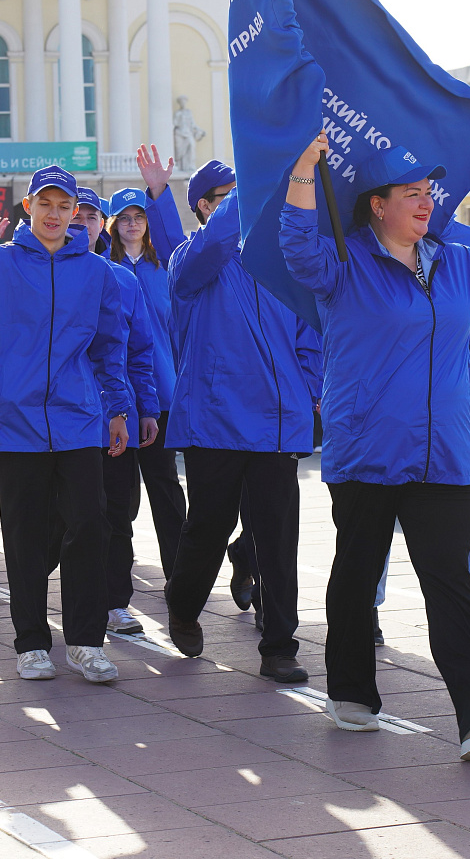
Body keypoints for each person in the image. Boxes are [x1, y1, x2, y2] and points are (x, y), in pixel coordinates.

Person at [280, 133, 470, 760]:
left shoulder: (457, 261)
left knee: (449, 582)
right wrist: (305, 168)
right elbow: (297, 248)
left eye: (428, 192)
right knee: (356, 577)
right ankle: (351, 692)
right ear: (377, 204)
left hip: (444, 454)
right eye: (410, 193)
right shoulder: (344, 263)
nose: (425, 201)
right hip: (368, 452)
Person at [0, 167, 131, 683]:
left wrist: (118, 408)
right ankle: (31, 642)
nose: (54, 215)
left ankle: (84, 641)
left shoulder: (97, 272)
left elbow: (108, 346)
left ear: (76, 211)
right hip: (13, 421)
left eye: (64, 206)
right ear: (28, 207)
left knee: (87, 527)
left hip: (78, 420)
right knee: (24, 534)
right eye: (45, 204)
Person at [164, 159, 318, 685]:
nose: (242, 204)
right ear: (205, 207)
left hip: (277, 423)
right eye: (227, 196)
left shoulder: (281, 263)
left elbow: (309, 337)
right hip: (216, 421)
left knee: (277, 539)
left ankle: (279, 645)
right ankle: (183, 604)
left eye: (241, 193)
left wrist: (310, 394)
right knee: (207, 528)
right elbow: (212, 246)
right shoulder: (192, 259)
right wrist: (255, 184)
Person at [70, 187, 160, 634]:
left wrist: (144, 408)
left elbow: (138, 352)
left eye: (90, 217)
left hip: (113, 417)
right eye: (74, 214)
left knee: (116, 515)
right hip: (60, 420)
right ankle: (73, 601)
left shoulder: (124, 280)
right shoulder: (41, 274)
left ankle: (115, 601)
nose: (80, 223)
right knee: (65, 518)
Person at [104, 162, 188, 599]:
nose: (133, 224)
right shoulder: (104, 271)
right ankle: (120, 579)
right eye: (125, 218)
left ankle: (181, 573)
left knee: (165, 487)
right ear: (113, 226)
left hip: (164, 392)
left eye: (139, 216)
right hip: (117, 398)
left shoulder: (166, 267)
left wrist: (160, 192)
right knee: (121, 497)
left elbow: (175, 239)